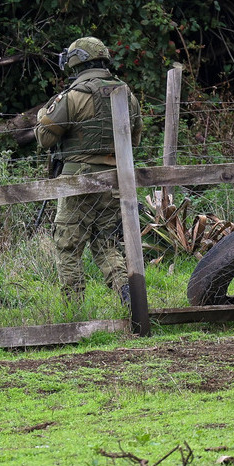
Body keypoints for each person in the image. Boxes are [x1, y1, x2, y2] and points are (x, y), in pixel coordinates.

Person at [36, 36, 142, 304]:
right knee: (106, 244)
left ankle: (75, 309)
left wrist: (42, 114)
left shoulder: (74, 96)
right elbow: (135, 140)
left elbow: (44, 138)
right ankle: (127, 296)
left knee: (68, 245)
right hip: (115, 181)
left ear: (75, 62)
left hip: (78, 182)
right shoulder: (127, 95)